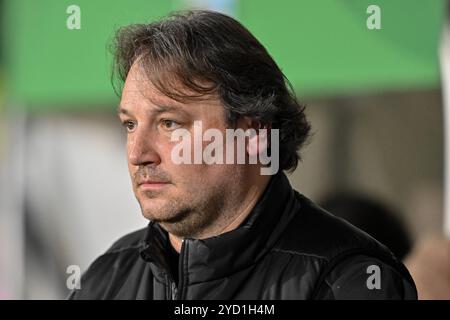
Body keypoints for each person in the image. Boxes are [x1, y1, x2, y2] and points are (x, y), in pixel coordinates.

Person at [69, 10, 416, 300]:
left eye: (169, 123)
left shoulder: (350, 282)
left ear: (252, 133)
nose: (138, 153)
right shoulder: (106, 279)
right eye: (130, 125)